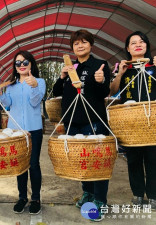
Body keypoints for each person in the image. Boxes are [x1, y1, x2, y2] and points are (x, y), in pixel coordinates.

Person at [52, 29, 110, 221]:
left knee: (97, 162)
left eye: (84, 42)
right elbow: (56, 92)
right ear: (72, 47)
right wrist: (62, 76)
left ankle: (100, 199)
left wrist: (101, 81)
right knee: (82, 161)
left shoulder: (99, 65)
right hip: (72, 122)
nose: (80, 46)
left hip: (93, 121)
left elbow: (104, 93)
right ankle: (88, 193)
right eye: (76, 43)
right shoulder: (71, 66)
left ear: (91, 45)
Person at [110, 31, 156, 210]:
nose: (138, 44)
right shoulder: (123, 68)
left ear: (146, 46)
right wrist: (119, 74)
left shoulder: (153, 67)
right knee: (134, 159)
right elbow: (112, 90)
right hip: (130, 122)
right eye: (133, 42)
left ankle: (153, 195)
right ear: (128, 48)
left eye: (142, 42)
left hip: (152, 120)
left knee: (153, 159)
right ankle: (137, 193)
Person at [0, 50, 46, 214]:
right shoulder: (11, 85)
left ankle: (36, 198)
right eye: (18, 63)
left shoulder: (39, 81)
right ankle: (22, 197)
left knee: (33, 164)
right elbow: (8, 104)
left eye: (25, 62)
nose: (22, 65)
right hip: (15, 130)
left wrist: (33, 86)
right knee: (20, 165)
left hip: (34, 129)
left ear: (31, 64)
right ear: (15, 66)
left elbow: (35, 102)